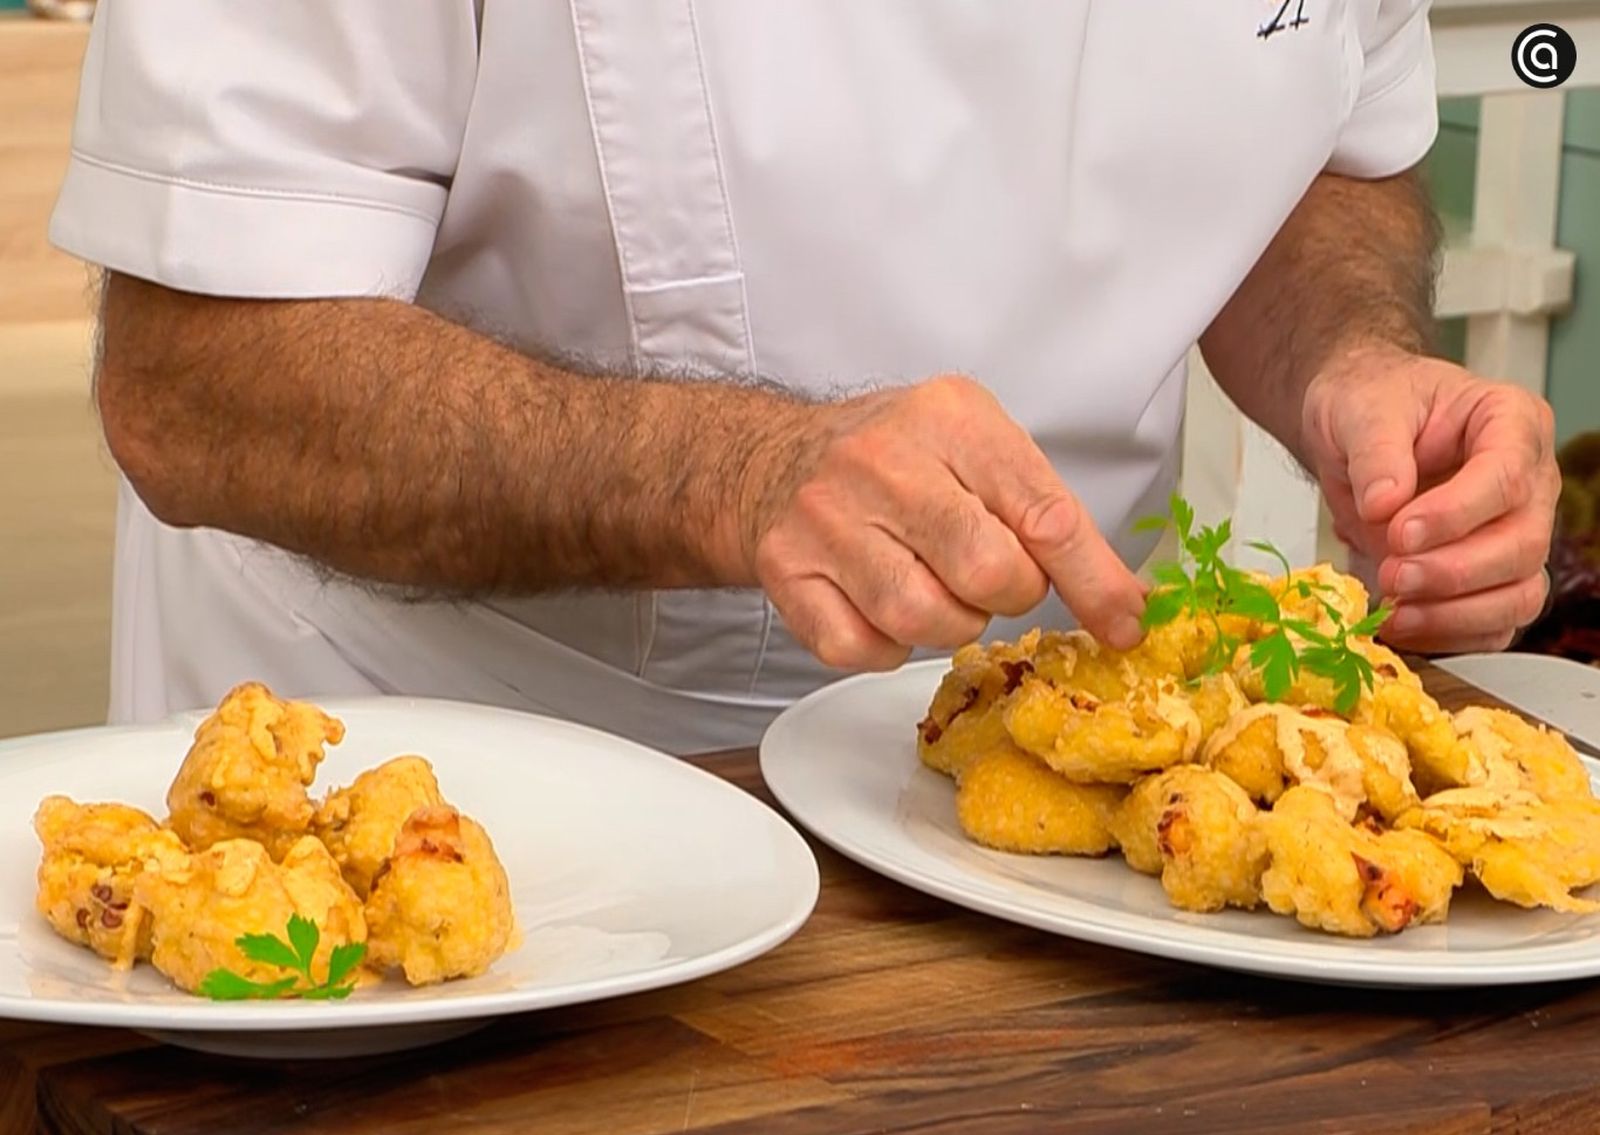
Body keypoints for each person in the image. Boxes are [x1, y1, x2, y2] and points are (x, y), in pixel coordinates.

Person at [49, 1, 1560, 753]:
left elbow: (1320, 126)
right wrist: (735, 475)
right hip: (459, 791)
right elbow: (199, 379)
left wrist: (1353, 360)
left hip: (1082, 811)